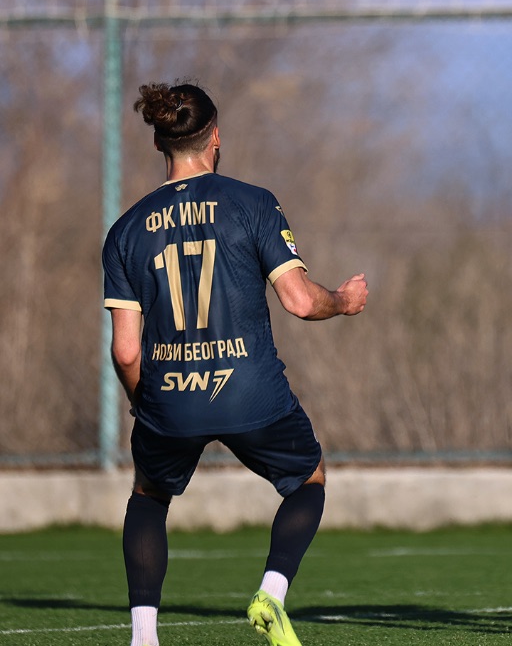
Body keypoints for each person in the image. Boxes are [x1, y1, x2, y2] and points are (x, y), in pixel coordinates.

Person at [102, 82, 369, 646]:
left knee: (149, 496)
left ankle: (143, 637)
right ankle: (271, 593)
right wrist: (344, 301)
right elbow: (300, 302)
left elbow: (125, 351)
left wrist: (143, 404)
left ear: (159, 143)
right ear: (215, 137)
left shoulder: (125, 230)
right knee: (308, 480)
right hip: (250, 390)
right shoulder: (252, 203)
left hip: (170, 396)